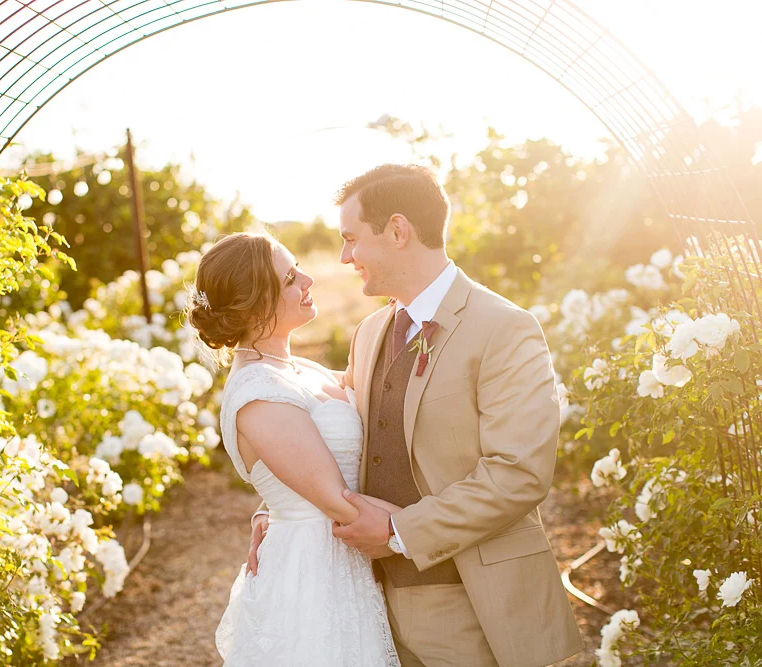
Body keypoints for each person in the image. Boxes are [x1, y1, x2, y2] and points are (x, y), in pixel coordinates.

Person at [248, 164, 583, 666]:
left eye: (351, 239)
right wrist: (277, 507)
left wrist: (400, 533)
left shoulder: (505, 329)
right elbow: (334, 432)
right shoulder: (370, 332)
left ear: (398, 231)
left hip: (472, 601)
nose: (344, 257)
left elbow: (518, 473)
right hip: (371, 605)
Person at [188, 232, 400, 666]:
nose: (308, 279)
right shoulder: (258, 393)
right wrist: (450, 523)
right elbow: (339, 503)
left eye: (298, 266)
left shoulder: (297, 369)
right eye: (289, 278)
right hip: (315, 574)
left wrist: (269, 506)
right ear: (255, 305)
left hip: (341, 556)